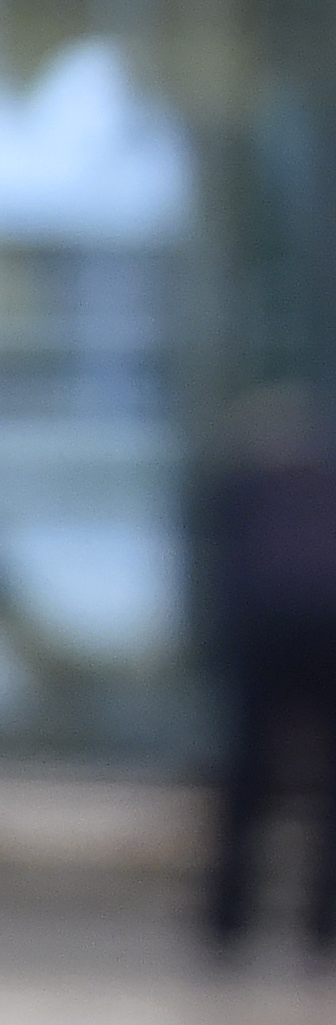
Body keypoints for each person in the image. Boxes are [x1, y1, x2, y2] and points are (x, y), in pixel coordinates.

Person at [200, 382, 336, 962]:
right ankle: (320, 925)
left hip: (264, 631)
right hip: (312, 624)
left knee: (249, 777)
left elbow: (223, 572)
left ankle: (229, 919)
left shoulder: (246, 486)